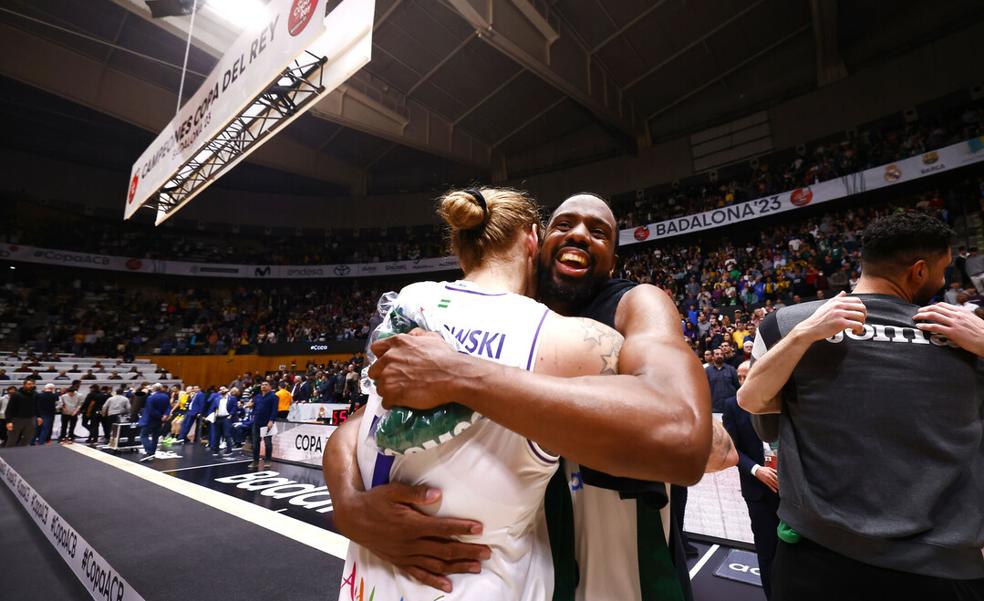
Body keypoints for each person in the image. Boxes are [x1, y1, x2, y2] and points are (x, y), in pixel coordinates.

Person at [327, 192, 730, 600]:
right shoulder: (505, 314)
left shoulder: (635, 303)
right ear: (536, 243)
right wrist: (347, 503)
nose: (578, 234)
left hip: (622, 559)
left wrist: (460, 374)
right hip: (533, 557)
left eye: (598, 232)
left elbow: (690, 437)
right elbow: (366, 420)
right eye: (563, 224)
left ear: (612, 263)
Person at [739, 212, 984, 599]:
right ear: (919, 271)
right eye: (943, 269)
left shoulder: (783, 323)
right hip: (940, 566)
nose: (945, 280)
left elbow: (761, 417)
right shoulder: (968, 333)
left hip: (816, 560)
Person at [722, 360, 779, 599]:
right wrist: (757, 470)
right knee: (766, 552)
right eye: (740, 377)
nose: (744, 381)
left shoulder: (781, 398)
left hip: (792, 490)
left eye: (749, 375)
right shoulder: (731, 406)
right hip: (758, 492)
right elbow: (733, 451)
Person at [248, 381, 278, 469]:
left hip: (267, 422)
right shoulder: (257, 396)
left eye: (266, 385)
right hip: (256, 422)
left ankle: (268, 460)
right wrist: (251, 407)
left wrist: (271, 420)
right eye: (262, 385)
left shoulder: (274, 397)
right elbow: (254, 407)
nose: (263, 386)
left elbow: (274, 410)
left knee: (268, 442)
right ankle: (255, 461)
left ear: (270, 387)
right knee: (255, 442)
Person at [139, 384, 171, 462]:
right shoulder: (165, 396)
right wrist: (165, 415)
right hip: (159, 420)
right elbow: (168, 407)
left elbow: (151, 410)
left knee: (143, 435)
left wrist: (160, 416)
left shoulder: (151, 397)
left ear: (153, 389)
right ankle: (152, 452)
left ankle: (149, 451)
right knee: (155, 436)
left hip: (150, 419)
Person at [5, 379, 40, 447]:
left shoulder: (35, 394)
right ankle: (9, 454)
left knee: (28, 438)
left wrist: (39, 416)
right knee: (12, 439)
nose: (31, 385)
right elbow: (9, 409)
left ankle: (22, 453)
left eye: (33, 384)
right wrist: (9, 421)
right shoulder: (16, 395)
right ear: (24, 385)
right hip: (17, 420)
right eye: (29, 384)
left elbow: (37, 406)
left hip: (30, 419)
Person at [207, 387, 240, 457]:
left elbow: (235, 407)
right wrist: (209, 415)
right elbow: (212, 408)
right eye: (221, 390)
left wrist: (230, 415)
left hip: (226, 417)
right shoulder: (217, 399)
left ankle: (229, 450)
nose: (222, 391)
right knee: (217, 434)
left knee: (227, 434)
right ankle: (216, 450)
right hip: (218, 417)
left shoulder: (232, 398)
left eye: (223, 389)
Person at [705, 348, 739, 412]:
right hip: (714, 408)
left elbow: (737, 386)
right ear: (712, 357)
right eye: (717, 354)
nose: (719, 356)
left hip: (730, 408)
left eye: (721, 354)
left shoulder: (731, 369)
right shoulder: (707, 371)